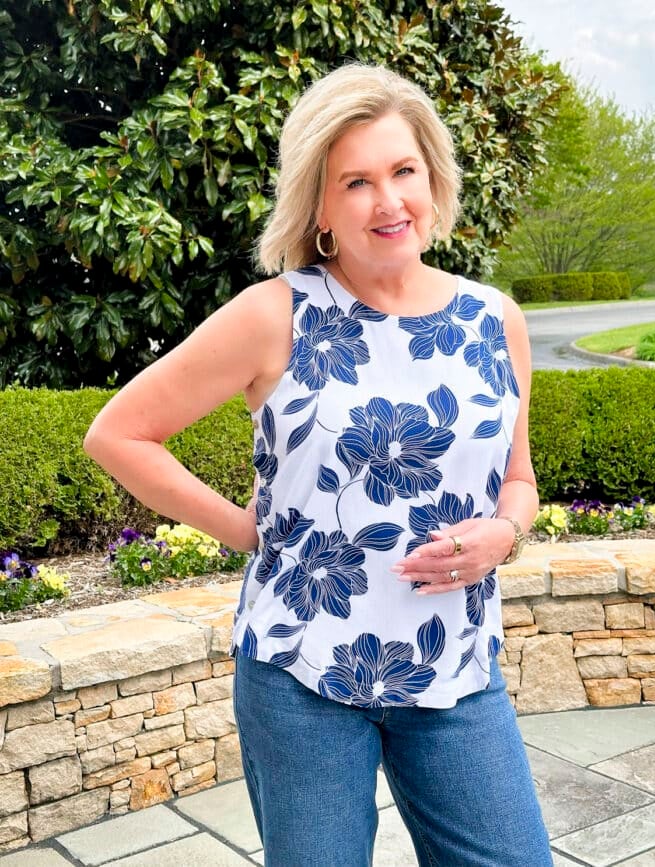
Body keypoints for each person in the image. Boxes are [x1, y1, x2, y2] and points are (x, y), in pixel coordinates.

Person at [84, 64, 552, 866]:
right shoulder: (277, 314)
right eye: (356, 182)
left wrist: (505, 533)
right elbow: (119, 433)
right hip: (303, 678)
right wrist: (245, 530)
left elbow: (520, 477)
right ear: (321, 208)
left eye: (404, 171)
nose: (389, 200)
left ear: (433, 179)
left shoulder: (493, 319)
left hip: (455, 666)